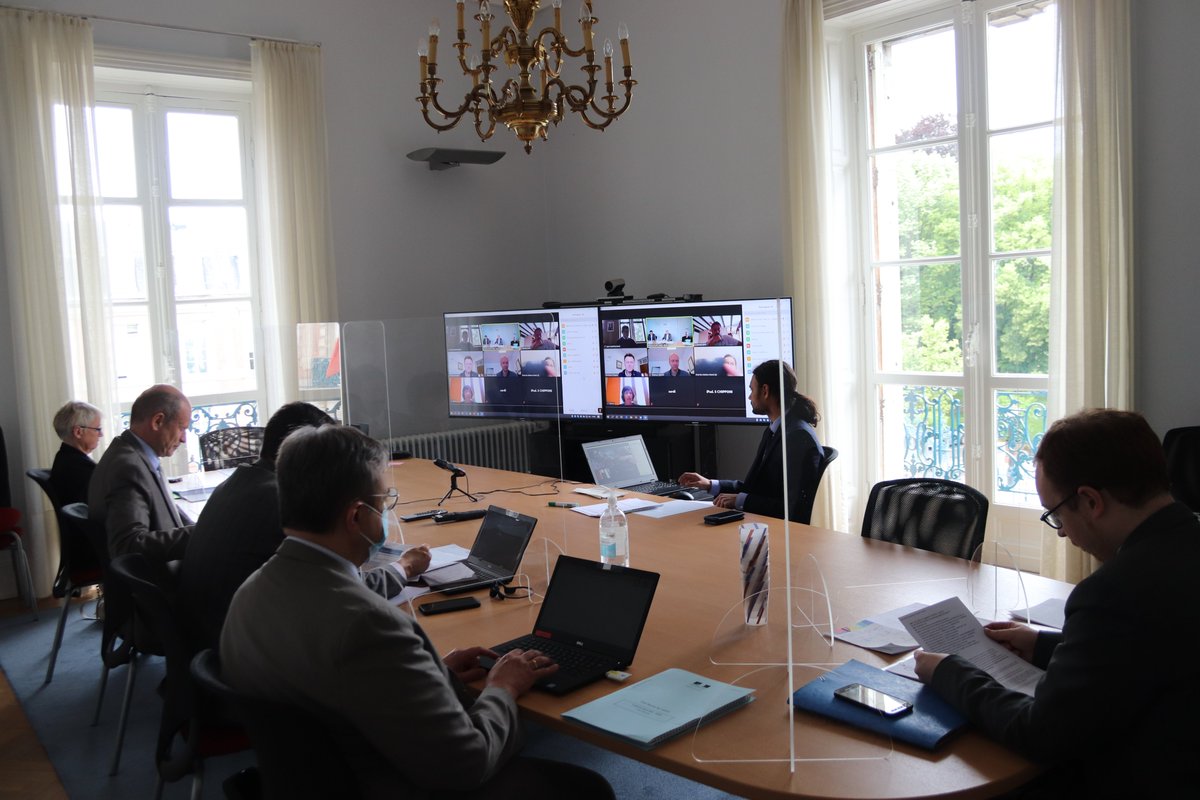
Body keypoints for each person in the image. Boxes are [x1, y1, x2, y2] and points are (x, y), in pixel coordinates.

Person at [220, 425, 609, 798]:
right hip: (387, 785)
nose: (386, 513)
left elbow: (350, 682)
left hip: (306, 782)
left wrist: (434, 673)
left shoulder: (248, 593)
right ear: (356, 517)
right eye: (384, 501)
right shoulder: (368, 624)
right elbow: (467, 764)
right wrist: (503, 686)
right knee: (586, 788)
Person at [913, 409, 1199, 797]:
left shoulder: (1113, 592)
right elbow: (1140, 655)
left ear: (1090, 501)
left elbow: (1041, 733)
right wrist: (1043, 645)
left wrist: (949, 671)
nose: (1063, 534)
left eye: (1057, 516)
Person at [178, 403, 431, 653]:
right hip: (251, 647)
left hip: (217, 642)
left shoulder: (236, 482)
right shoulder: (281, 501)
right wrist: (405, 566)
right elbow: (348, 589)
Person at [679, 360, 824, 523]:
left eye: (751, 389)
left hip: (779, 535)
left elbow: (793, 509)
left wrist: (740, 501)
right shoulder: (775, 430)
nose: (749, 396)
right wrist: (709, 484)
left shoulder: (798, 436)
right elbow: (754, 487)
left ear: (765, 391)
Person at [89, 384, 194, 561]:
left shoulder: (130, 452)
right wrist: (200, 535)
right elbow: (129, 545)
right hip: (159, 583)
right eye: (182, 428)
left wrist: (206, 529)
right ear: (157, 421)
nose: (184, 439)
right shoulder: (128, 467)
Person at [49, 400, 102, 506]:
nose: (101, 434)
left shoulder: (63, 457)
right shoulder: (83, 468)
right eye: (98, 429)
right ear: (78, 432)